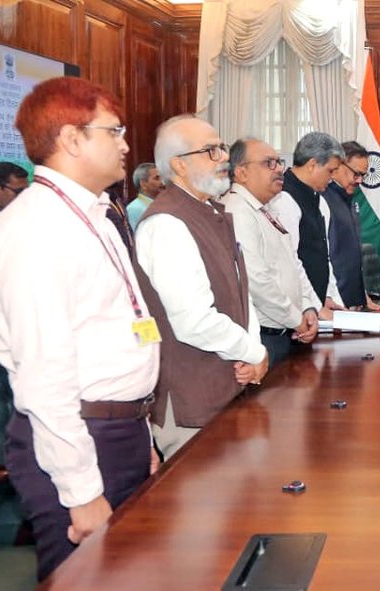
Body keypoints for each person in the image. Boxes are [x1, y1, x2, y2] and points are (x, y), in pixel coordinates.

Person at [0, 76, 159, 580]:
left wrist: (139, 433)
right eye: (114, 131)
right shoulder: (37, 229)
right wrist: (81, 493)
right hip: (76, 443)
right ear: (71, 138)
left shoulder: (93, 214)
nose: (125, 144)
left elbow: (114, 338)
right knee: (87, 579)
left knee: (128, 575)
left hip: (114, 431)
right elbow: (44, 378)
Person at [134, 115, 268, 459]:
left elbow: (240, 294)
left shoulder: (211, 211)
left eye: (222, 147)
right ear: (179, 165)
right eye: (211, 151)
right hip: (191, 403)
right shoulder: (167, 223)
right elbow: (194, 320)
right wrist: (253, 353)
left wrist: (252, 350)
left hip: (227, 387)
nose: (224, 157)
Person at [220, 137, 321, 367]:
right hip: (267, 337)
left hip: (289, 330)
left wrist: (307, 306)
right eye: (269, 163)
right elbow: (256, 280)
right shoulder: (237, 211)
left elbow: (292, 262)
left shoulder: (266, 209)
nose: (279, 170)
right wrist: (296, 319)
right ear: (242, 172)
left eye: (279, 162)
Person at [282, 132, 346, 310]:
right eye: (330, 171)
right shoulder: (284, 197)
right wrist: (314, 306)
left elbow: (322, 255)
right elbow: (291, 262)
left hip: (315, 303)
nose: (332, 177)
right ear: (312, 165)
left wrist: (326, 296)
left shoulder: (317, 197)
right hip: (298, 308)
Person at [323, 141, 380, 311]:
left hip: (352, 302)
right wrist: (331, 298)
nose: (359, 181)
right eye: (356, 174)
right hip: (334, 303)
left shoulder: (349, 199)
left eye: (363, 176)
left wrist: (362, 295)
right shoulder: (322, 199)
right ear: (337, 166)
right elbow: (324, 257)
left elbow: (352, 254)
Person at [127, 162, 164, 229]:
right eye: (157, 178)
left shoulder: (164, 204)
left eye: (162, 177)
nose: (162, 182)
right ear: (143, 184)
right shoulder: (134, 209)